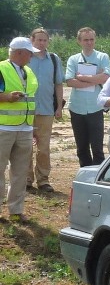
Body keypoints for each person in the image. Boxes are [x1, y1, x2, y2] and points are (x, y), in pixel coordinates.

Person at [0, 37, 39, 223]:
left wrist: (33, 127)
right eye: (29, 52)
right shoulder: (1, 69)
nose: (32, 56)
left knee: (20, 171)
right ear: (19, 52)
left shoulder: (28, 71)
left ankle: (16, 209)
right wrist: (7, 97)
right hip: (3, 128)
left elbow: (31, 100)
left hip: (25, 128)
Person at [65, 27, 110, 167]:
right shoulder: (73, 59)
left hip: (95, 107)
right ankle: (85, 174)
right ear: (79, 41)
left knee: (97, 148)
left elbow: (106, 77)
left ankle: (97, 176)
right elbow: (69, 81)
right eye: (86, 40)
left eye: (91, 39)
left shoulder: (103, 57)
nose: (89, 42)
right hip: (76, 108)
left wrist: (82, 78)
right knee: (82, 148)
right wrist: (95, 78)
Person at [26, 28, 64, 192]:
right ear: (32, 40)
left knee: (44, 147)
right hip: (26, 109)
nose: (42, 43)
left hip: (47, 109)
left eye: (44, 40)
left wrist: (59, 107)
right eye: (38, 40)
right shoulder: (25, 58)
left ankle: (43, 180)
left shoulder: (54, 60)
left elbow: (58, 84)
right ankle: (26, 180)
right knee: (25, 146)